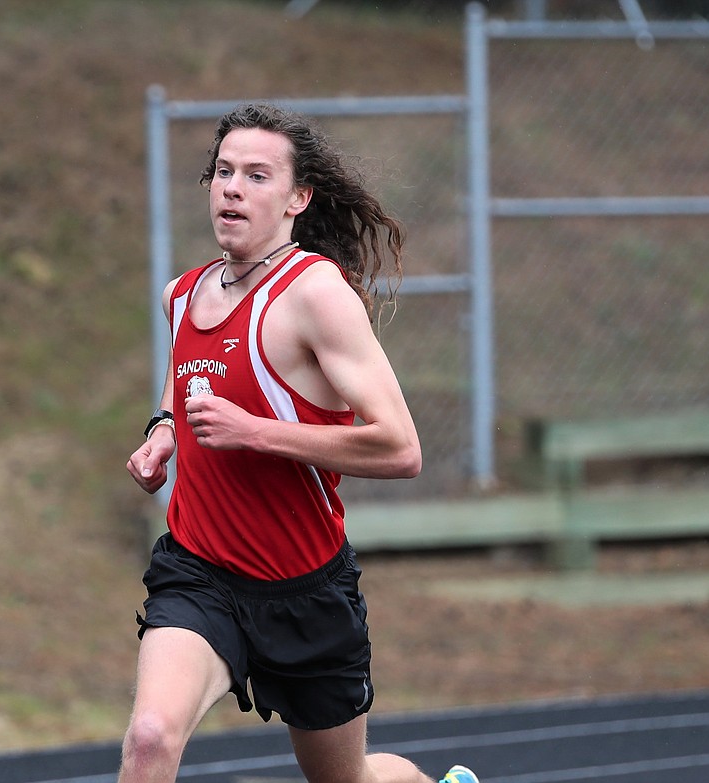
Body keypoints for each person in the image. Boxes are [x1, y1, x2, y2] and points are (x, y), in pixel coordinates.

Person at [122, 103, 479, 783]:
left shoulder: (317, 294)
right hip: (199, 573)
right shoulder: (183, 293)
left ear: (297, 198)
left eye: (257, 175)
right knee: (148, 738)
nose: (232, 187)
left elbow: (401, 448)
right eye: (223, 172)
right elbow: (187, 379)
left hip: (305, 589)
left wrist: (251, 432)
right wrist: (162, 431)